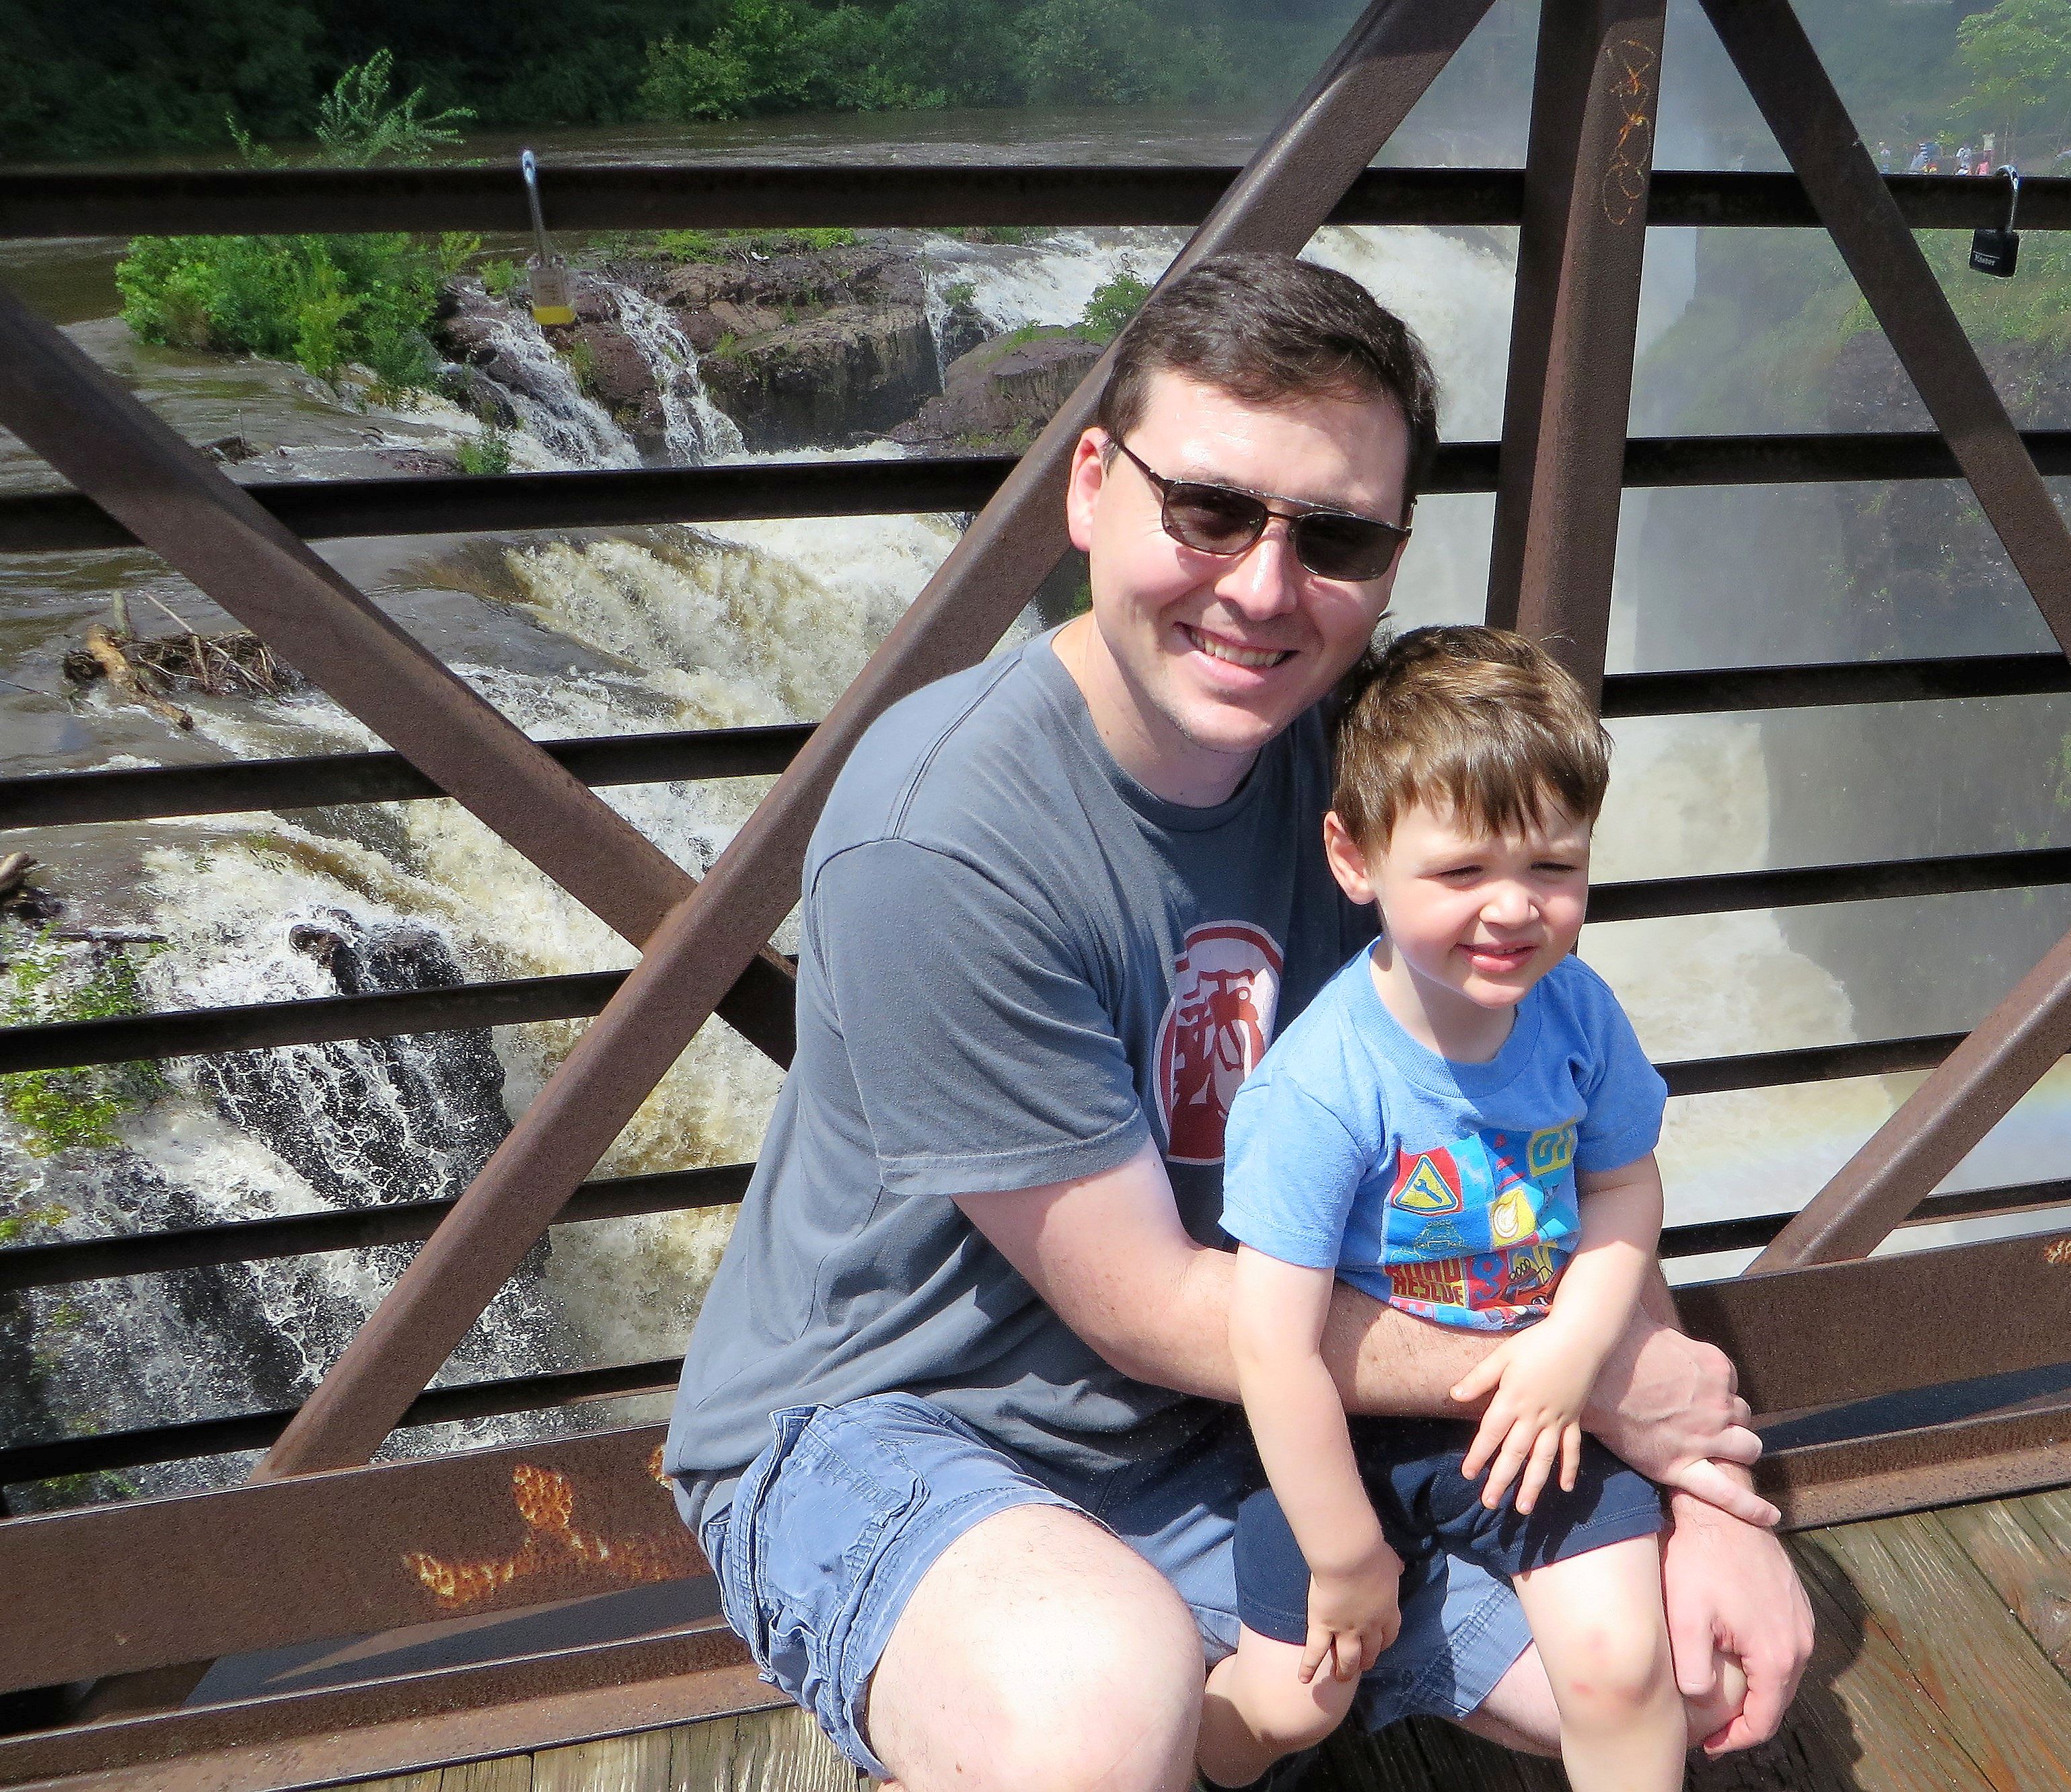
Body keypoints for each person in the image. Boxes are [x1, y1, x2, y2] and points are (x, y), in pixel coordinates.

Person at [663, 252, 1813, 1791]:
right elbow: (1142, 1302)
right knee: (1095, 1702)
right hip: (904, 1420)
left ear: (1391, 558)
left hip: (1263, 1409)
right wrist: (1592, 1380)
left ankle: (1234, 1703)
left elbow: (1552, 1126)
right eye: (1207, 510)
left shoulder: (1388, 780)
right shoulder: (944, 839)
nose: (1264, 589)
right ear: (1091, 488)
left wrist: (1711, 1500)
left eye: (1332, 536)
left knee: (1669, 1672)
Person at [1198, 628, 1695, 1791]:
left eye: (1552, 866)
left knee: (1624, 1668)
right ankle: (1182, 1756)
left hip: (1533, 1417)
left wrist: (1573, 1347)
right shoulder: (1319, 1090)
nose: (1512, 909)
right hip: (1349, 1438)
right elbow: (1270, 1348)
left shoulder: (1578, 1016)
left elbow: (1622, 1186)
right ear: (1354, 857)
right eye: (1461, 872)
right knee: (1292, 1705)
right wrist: (1342, 1553)